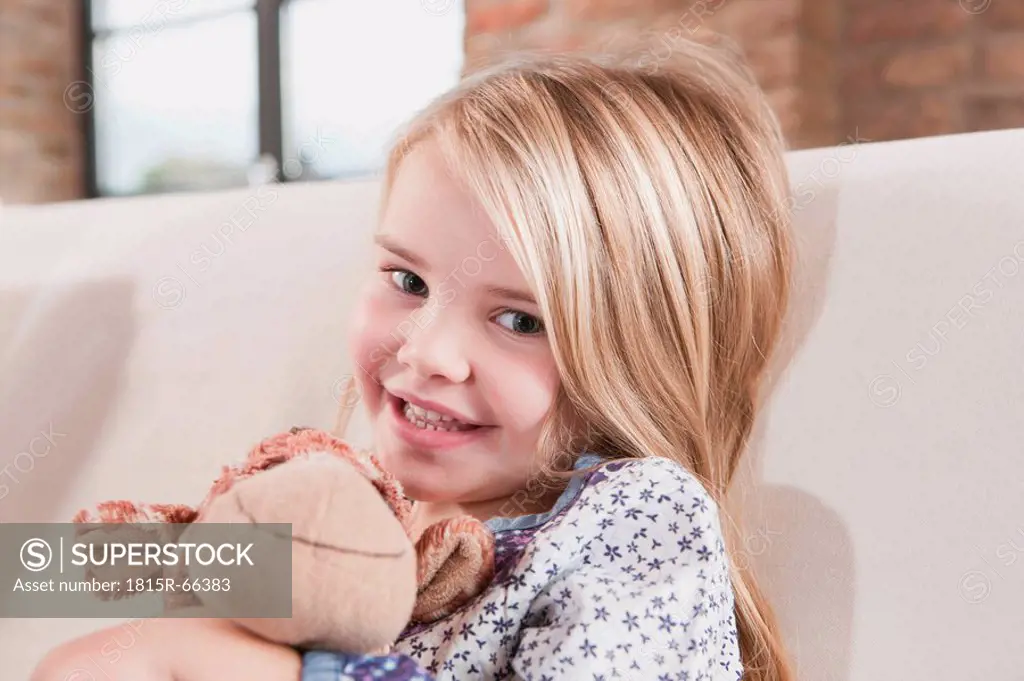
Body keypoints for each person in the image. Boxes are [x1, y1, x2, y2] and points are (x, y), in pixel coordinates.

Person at [33, 38, 795, 681]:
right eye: (408, 280)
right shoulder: (357, 508)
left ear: (640, 357)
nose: (426, 351)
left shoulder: (632, 518)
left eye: (520, 319)